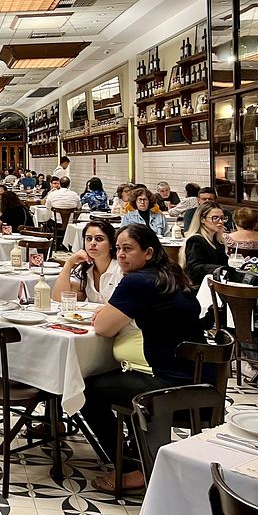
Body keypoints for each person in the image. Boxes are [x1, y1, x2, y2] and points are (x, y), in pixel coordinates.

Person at [81, 224, 204, 494]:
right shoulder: (171, 274)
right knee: (119, 378)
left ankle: (132, 468)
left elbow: (103, 327)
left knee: (85, 390)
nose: (121, 255)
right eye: (118, 249)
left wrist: (104, 313)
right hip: (199, 379)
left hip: (169, 385)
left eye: (128, 249)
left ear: (148, 252)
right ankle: (138, 457)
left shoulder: (138, 281)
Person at [51, 220, 121, 303]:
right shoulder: (85, 268)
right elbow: (59, 299)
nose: (92, 243)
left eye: (99, 239)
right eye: (89, 238)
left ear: (111, 244)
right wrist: (69, 263)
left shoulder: (120, 269)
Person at [179, 200, 230, 286]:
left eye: (222, 218)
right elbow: (194, 269)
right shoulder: (195, 240)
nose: (221, 222)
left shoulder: (218, 242)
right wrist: (220, 269)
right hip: (200, 287)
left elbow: (225, 264)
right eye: (215, 218)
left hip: (216, 284)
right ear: (202, 219)